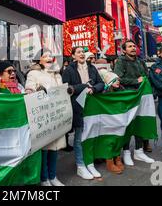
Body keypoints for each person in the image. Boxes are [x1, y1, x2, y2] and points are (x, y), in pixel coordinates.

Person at [62, 47, 105, 180]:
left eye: (83, 52)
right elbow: (66, 88)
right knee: (79, 137)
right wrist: (84, 86)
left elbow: (101, 84)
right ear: (73, 56)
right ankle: (80, 165)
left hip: (92, 107)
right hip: (77, 107)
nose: (81, 54)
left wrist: (93, 88)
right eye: (78, 52)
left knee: (91, 134)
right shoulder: (69, 70)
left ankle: (89, 162)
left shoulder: (92, 68)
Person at [25, 50, 65, 186]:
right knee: (44, 148)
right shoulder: (33, 73)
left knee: (55, 147)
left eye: (50, 56)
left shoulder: (57, 74)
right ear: (39, 60)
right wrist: (37, 90)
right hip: (43, 115)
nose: (49, 58)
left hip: (56, 114)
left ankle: (53, 176)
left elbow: (62, 92)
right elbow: (28, 90)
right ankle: (44, 178)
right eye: (45, 56)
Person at [114, 40, 154, 165]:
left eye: (134, 46)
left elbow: (146, 76)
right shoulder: (120, 61)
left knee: (139, 123)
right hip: (128, 97)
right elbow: (118, 79)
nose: (133, 48)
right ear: (124, 50)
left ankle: (139, 151)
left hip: (141, 96)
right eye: (130, 46)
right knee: (128, 124)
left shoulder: (140, 61)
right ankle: (126, 153)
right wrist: (135, 81)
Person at [100, 70, 125, 174]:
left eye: (118, 80)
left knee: (118, 139)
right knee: (109, 140)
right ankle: (109, 161)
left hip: (119, 120)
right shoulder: (104, 93)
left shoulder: (122, 90)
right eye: (114, 80)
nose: (117, 82)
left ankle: (117, 157)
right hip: (108, 121)